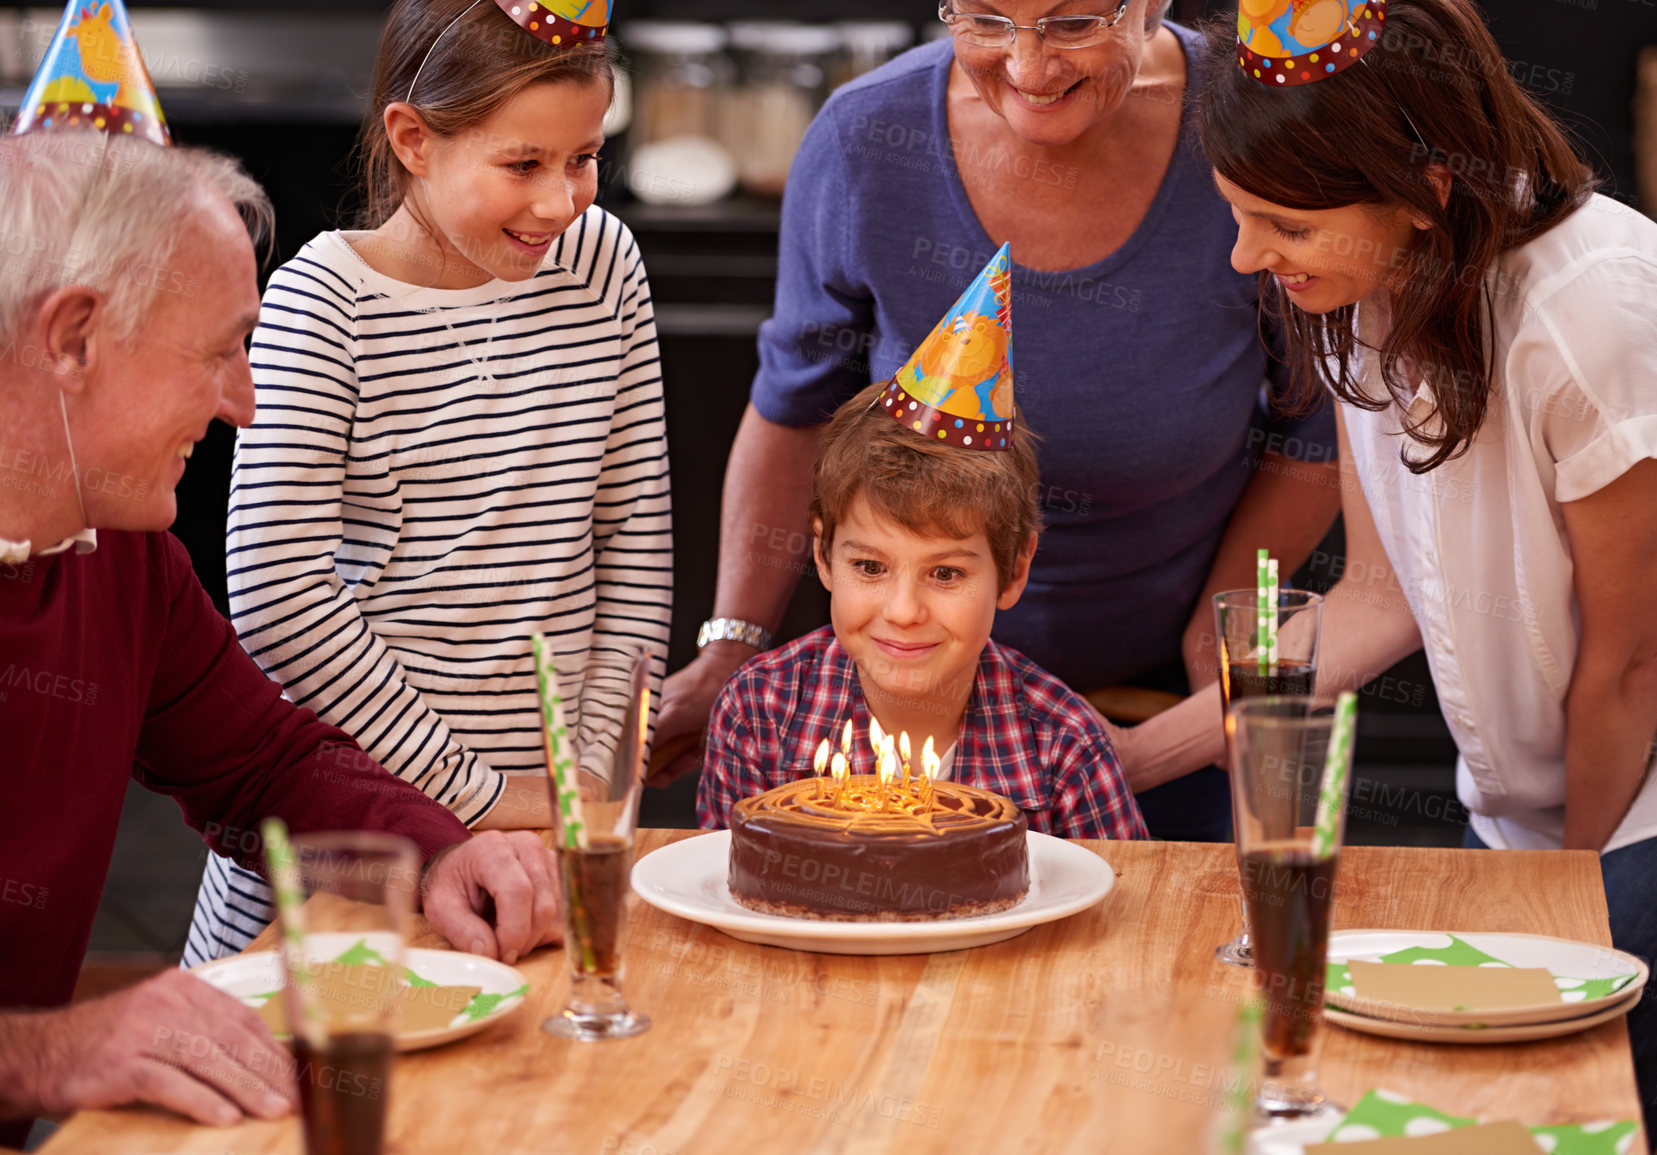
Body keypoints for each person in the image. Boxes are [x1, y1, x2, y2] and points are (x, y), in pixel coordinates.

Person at [1167, 0, 1657, 1140]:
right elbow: (1377, 598)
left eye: (1283, 222)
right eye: (1236, 216)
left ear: (1426, 187)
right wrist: (1133, 752)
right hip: (1538, 791)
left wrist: (1557, 926)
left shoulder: (1592, 317)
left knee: (1543, 1095)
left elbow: (1624, 668)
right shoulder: (1372, 289)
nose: (1246, 257)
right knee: (1385, 1080)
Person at [654, 0, 1342, 843]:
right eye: (982, 20)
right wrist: (732, 642)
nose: (1027, 68)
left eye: (1071, 24)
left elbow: (1312, 432)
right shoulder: (865, 136)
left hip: (1171, 706)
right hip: (899, 707)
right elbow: (793, 405)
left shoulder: (1254, 125)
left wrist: (1218, 637)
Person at [0, 125, 563, 1143]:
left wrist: (439, 852)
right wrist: (52, 1051)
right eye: (219, 351)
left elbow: (260, 764)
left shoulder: (115, 549)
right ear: (72, 337)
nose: (245, 404)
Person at [184, 0, 672, 965]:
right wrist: (476, 796)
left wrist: (593, 775)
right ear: (412, 138)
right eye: (522, 164)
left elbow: (635, 539)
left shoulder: (605, 263)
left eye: (583, 157)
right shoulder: (324, 304)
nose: (561, 201)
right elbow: (280, 600)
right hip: (372, 828)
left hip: (546, 824)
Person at [698, 253, 1147, 841]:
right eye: (869, 566)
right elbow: (720, 891)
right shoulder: (758, 713)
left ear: (1013, 571)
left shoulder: (1064, 744)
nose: (904, 611)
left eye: (946, 575)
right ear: (823, 555)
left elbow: (1116, 915)